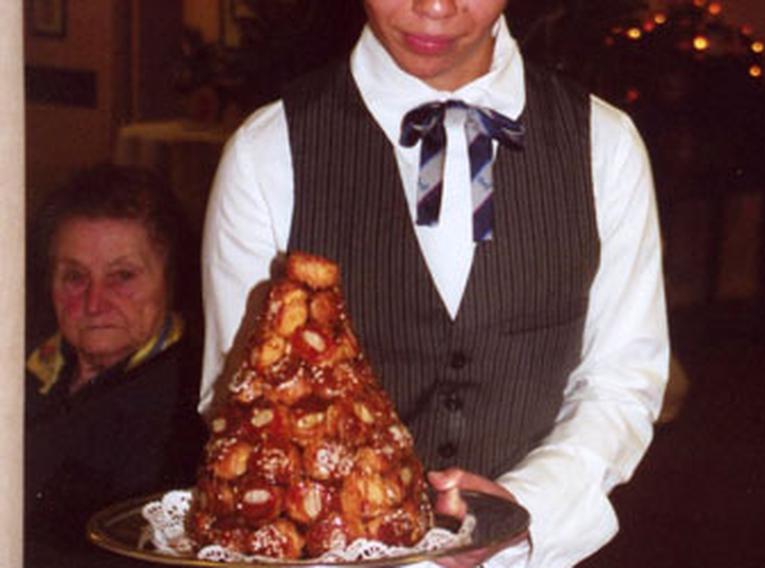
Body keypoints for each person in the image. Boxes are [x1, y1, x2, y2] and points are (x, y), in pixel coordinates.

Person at [200, 1, 669, 566]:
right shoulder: (266, 154)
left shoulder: (606, 147)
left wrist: (522, 506)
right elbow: (241, 409)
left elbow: (621, 382)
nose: (434, 8)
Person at [25, 165, 207, 566]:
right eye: (74, 276)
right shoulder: (28, 367)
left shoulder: (188, 407)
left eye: (122, 276)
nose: (94, 302)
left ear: (170, 280)